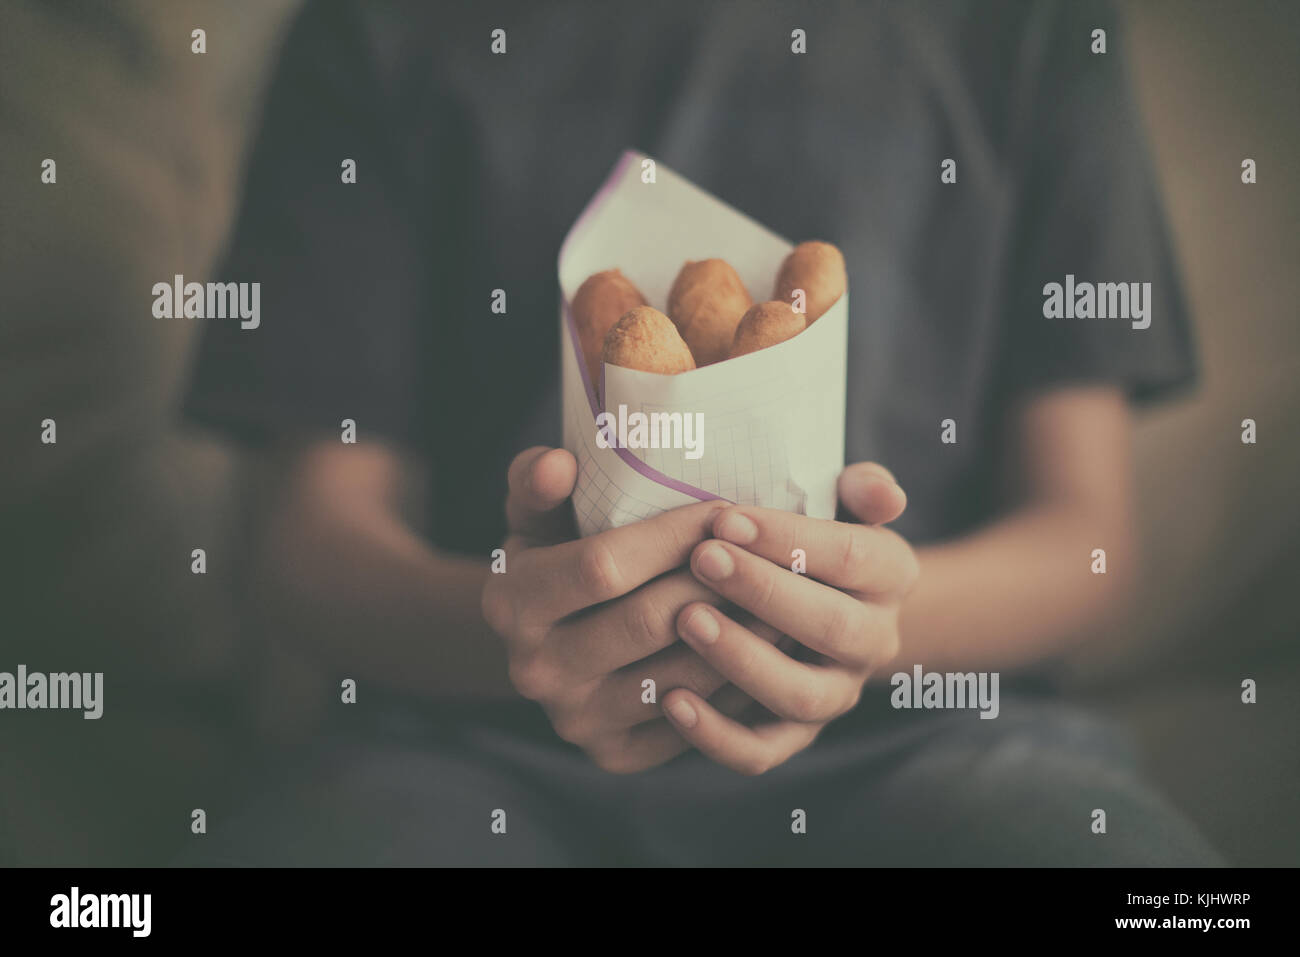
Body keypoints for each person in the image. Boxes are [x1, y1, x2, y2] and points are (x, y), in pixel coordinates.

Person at [184, 0, 1220, 865]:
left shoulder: (1033, 24)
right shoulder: (374, 23)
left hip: (932, 735)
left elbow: (1088, 544)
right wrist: (532, 635)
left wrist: (866, 629)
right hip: (464, 748)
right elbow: (306, 550)